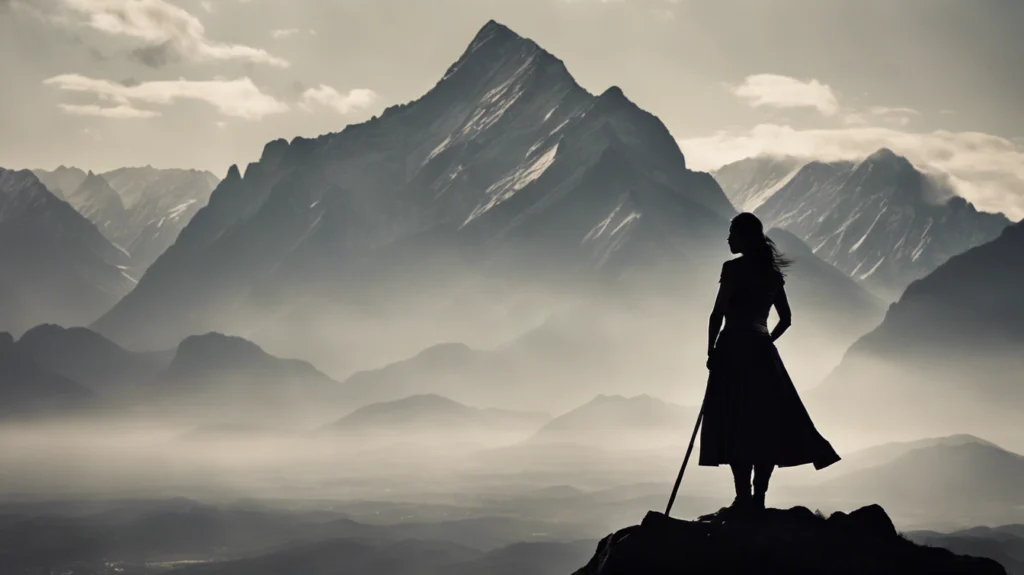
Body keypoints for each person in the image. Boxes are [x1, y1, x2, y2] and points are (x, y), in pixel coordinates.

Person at [699, 212, 840, 513]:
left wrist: (711, 351)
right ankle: (758, 500)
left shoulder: (732, 269)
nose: (728, 239)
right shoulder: (772, 275)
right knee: (762, 424)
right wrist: (765, 341)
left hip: (733, 349)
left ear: (744, 237)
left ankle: (742, 500)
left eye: (732, 233)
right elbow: (786, 319)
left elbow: (717, 313)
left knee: (734, 421)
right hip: (763, 354)